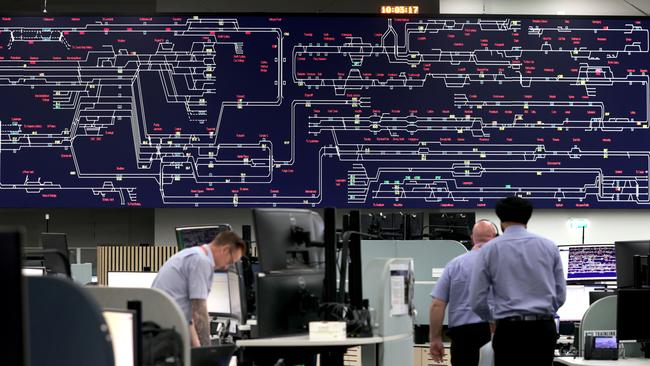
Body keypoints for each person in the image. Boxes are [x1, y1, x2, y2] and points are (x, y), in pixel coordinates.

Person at [469, 196, 566, 366]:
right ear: (528, 218)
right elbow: (560, 295)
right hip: (543, 329)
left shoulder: (490, 250)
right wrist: (544, 312)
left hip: (509, 330)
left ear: (501, 221)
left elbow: (477, 299)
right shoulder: (549, 246)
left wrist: (494, 319)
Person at [152, 230, 246, 347]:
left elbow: (189, 316)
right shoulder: (202, 261)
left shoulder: (192, 254)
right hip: (167, 332)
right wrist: (208, 350)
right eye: (230, 261)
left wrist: (198, 347)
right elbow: (199, 312)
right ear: (225, 250)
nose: (226, 266)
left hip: (160, 327)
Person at [429, 219, 498, 366]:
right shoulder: (503, 263)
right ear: (495, 238)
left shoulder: (454, 265)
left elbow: (437, 304)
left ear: (472, 238)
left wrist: (435, 339)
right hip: (494, 332)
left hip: (462, 337)